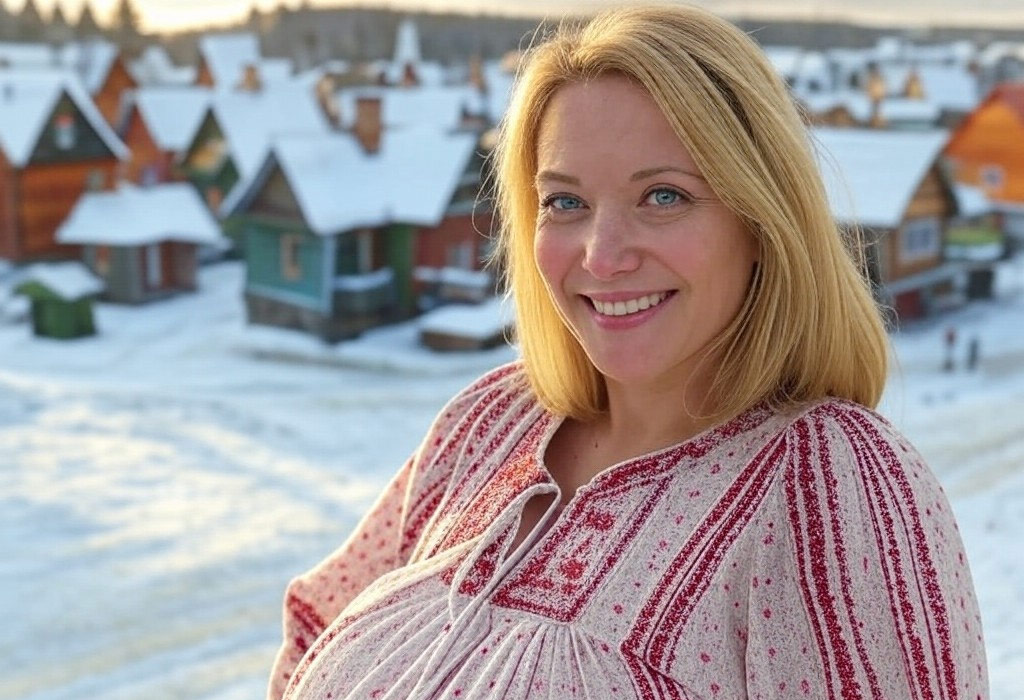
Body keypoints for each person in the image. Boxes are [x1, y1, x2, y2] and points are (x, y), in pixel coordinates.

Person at [267, 5, 988, 699]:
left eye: (664, 197)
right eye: (565, 202)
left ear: (762, 221)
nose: (602, 256)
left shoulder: (826, 482)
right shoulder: (489, 422)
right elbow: (315, 622)